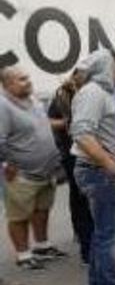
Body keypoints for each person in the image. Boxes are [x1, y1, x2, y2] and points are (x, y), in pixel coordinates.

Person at [71, 49, 115, 285]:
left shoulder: (105, 93)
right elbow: (82, 134)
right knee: (109, 236)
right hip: (100, 173)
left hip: (100, 172)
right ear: (109, 66)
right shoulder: (93, 92)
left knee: (102, 234)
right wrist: (112, 165)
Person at [0, 66, 65, 271]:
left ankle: (42, 246)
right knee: (19, 215)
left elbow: (43, 123)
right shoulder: (2, 106)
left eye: (27, 77)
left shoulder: (32, 99)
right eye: (21, 79)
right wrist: (5, 163)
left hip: (45, 170)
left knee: (41, 209)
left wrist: (64, 123)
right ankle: (23, 255)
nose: (28, 81)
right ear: (7, 84)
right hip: (21, 173)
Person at [49, 70, 94, 265]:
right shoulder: (62, 97)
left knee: (84, 200)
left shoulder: (92, 95)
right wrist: (67, 123)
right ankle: (86, 243)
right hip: (74, 153)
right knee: (81, 199)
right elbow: (50, 121)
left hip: (87, 154)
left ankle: (87, 241)